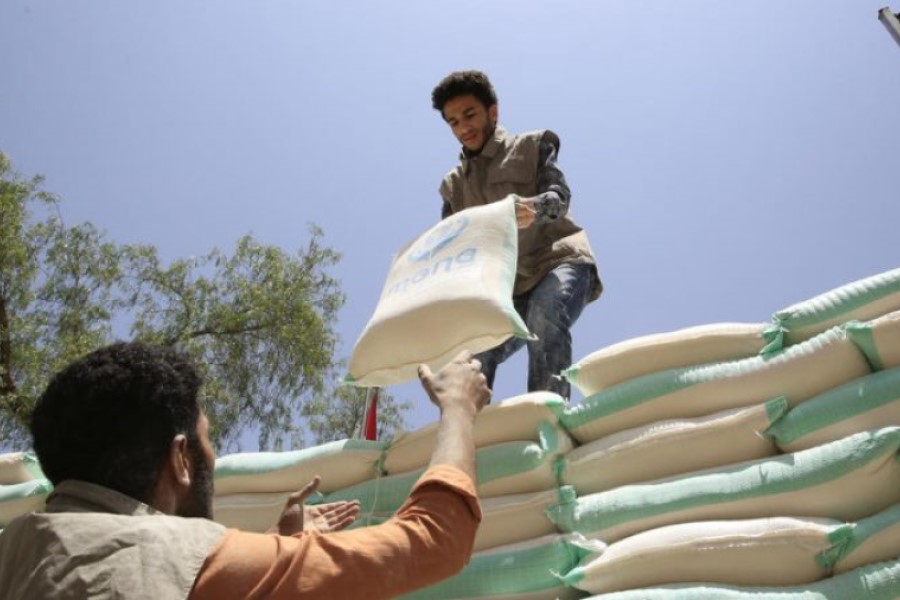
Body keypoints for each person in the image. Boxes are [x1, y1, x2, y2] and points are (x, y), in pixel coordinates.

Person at [0, 342, 491, 599]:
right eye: (208, 442)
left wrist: (281, 543)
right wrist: (457, 409)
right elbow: (435, 541)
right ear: (181, 460)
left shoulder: (18, 550)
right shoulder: (186, 563)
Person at [432, 70, 603, 399]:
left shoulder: (532, 145)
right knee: (472, 353)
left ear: (492, 112)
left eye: (470, 115)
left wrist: (534, 209)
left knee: (546, 312)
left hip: (558, 260)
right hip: (507, 287)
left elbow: (559, 199)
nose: (463, 127)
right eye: (453, 122)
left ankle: (546, 418)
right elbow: (452, 247)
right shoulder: (452, 186)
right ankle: (464, 437)